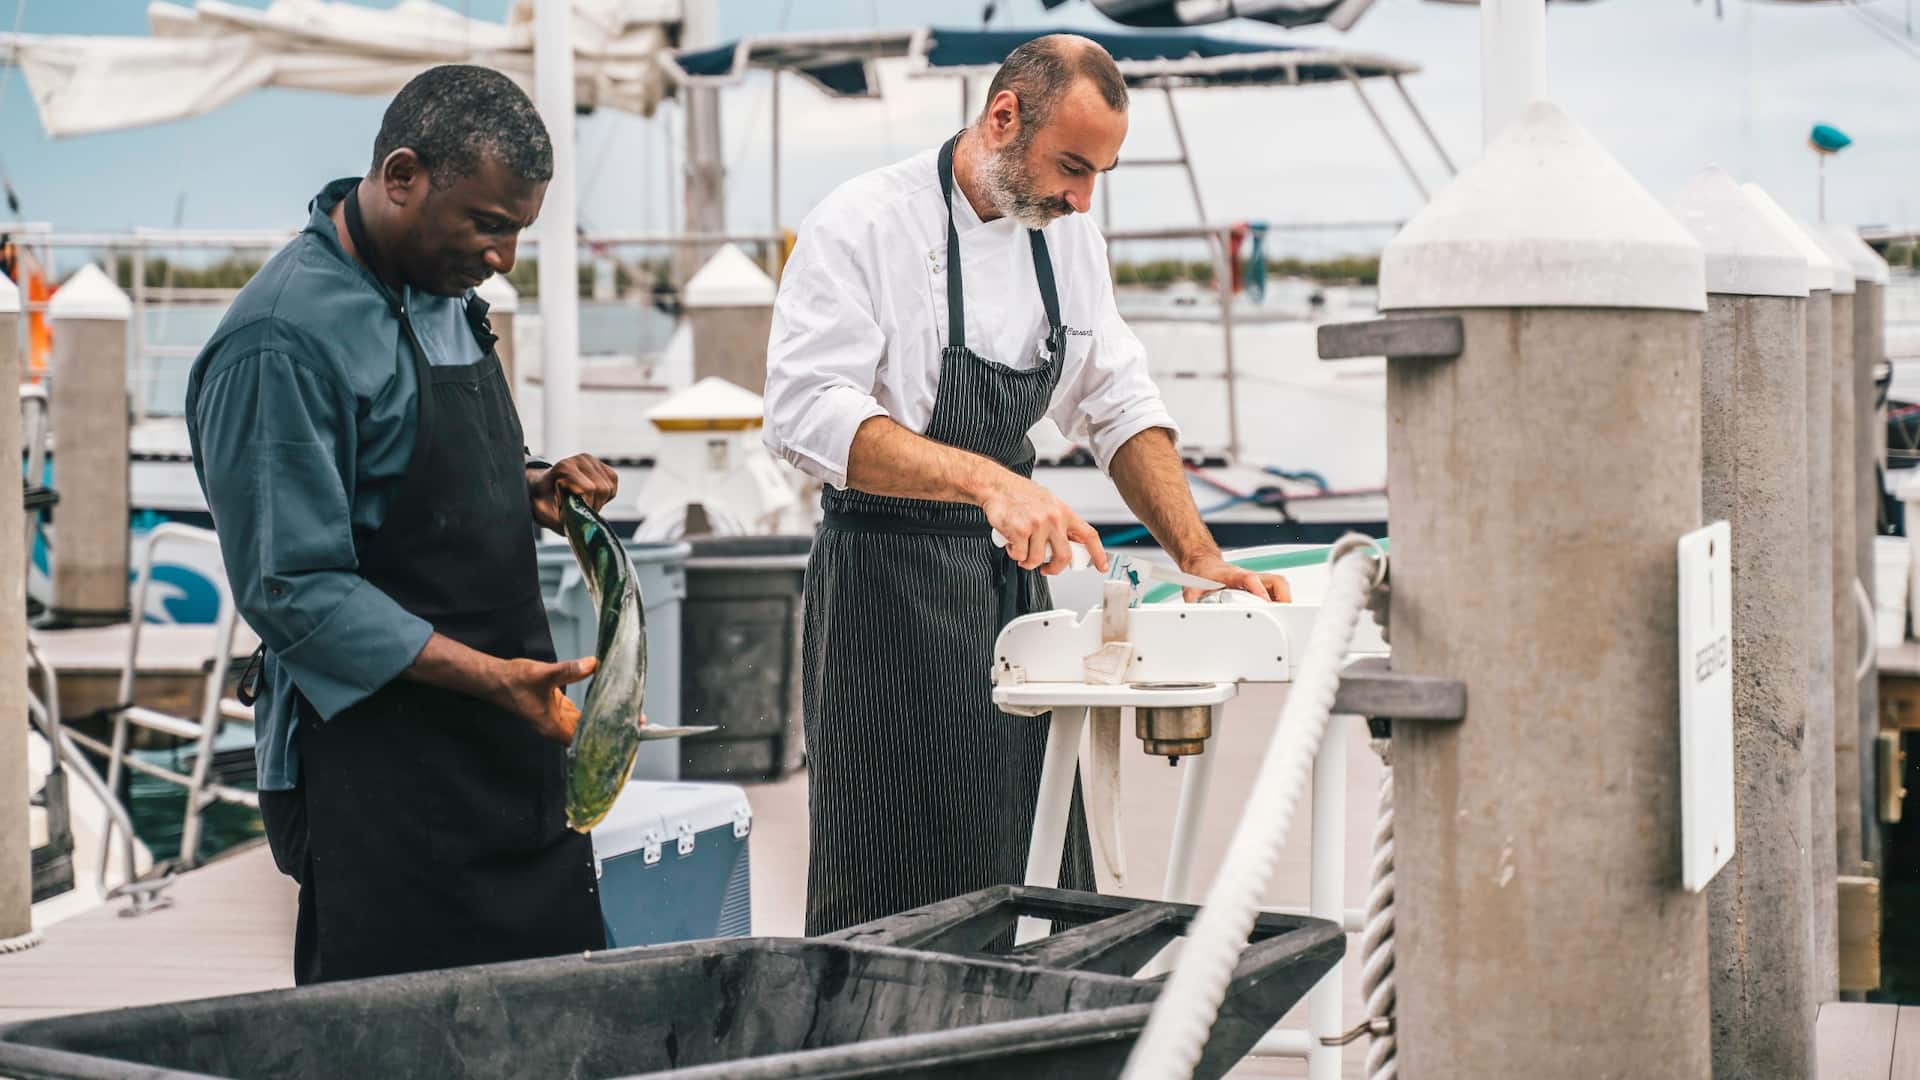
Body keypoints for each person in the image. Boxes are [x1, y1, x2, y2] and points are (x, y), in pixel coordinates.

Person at [762, 34, 1290, 936]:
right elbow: (804, 412)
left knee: (1036, 866)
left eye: (1099, 176)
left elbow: (1117, 402)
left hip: (1011, 594)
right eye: (1072, 167)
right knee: (891, 886)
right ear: (1003, 117)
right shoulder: (862, 222)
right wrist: (987, 483)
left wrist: (1201, 557)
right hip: (881, 596)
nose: (1083, 199)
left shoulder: (1068, 240)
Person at [186, 65, 623, 984]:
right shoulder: (279, 341)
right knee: (395, 1036)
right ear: (401, 176)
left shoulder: (442, 285)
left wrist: (531, 486)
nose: (504, 258)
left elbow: (419, 472)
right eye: (489, 224)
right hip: (379, 773)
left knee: (562, 1019)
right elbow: (293, 590)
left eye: (519, 230)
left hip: (510, 753)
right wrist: (494, 680)